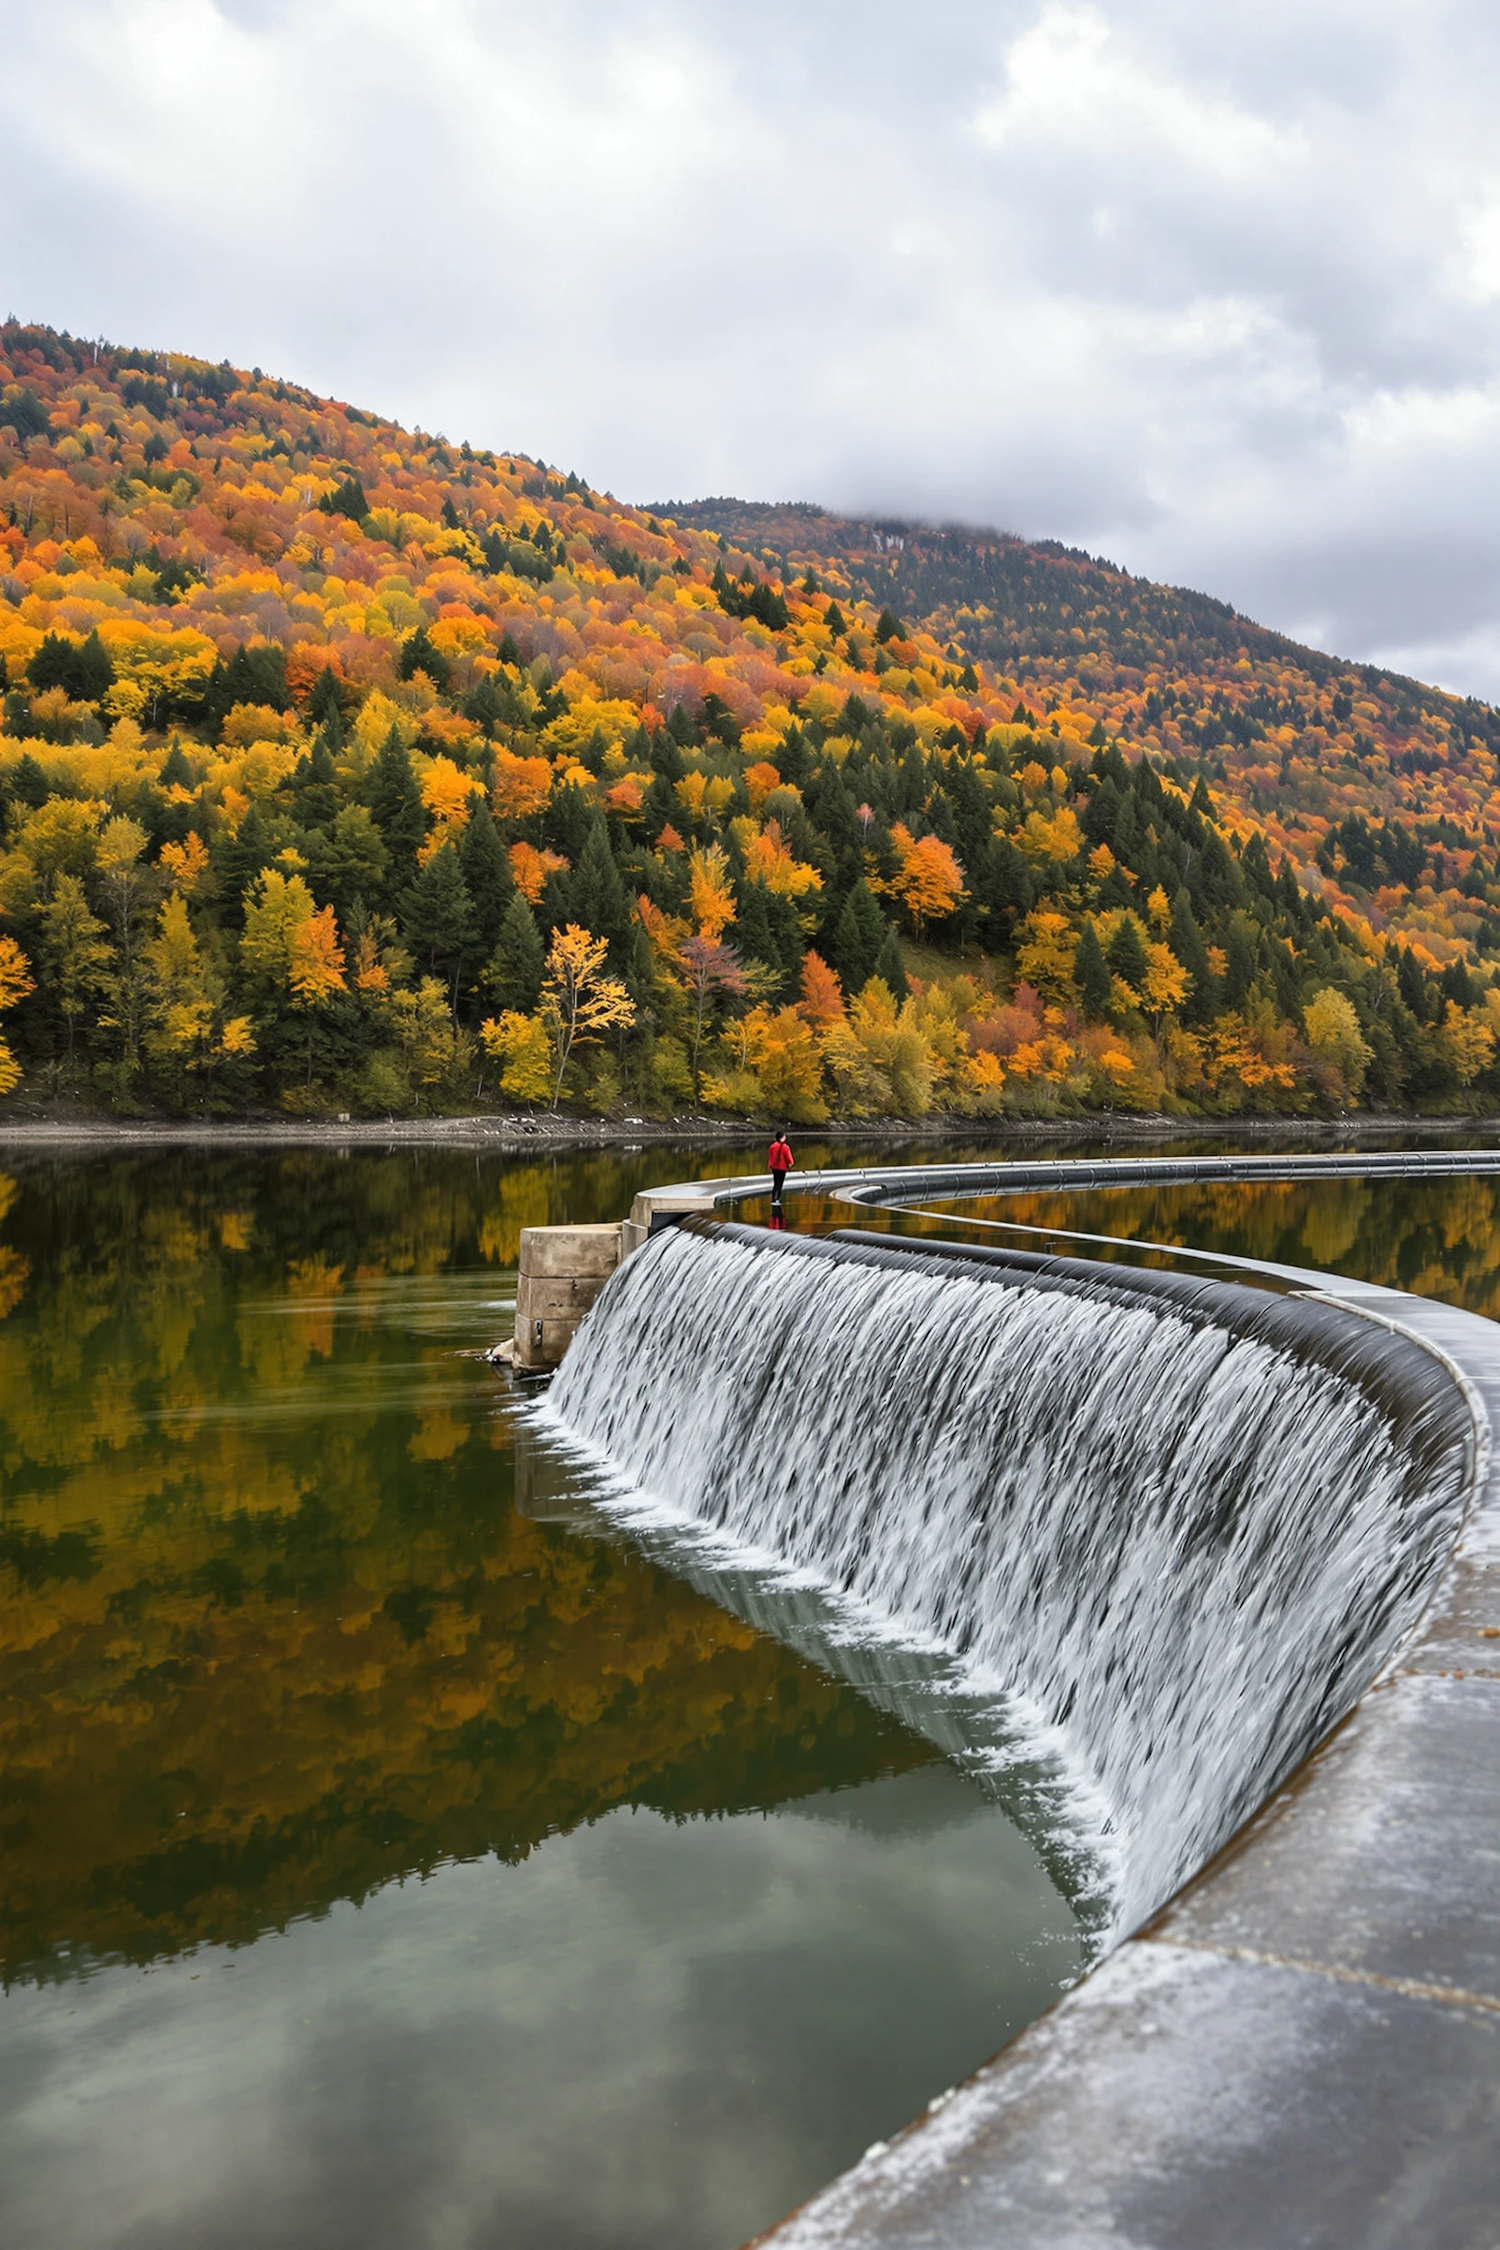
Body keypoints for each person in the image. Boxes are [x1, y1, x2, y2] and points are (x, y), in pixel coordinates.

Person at [767, 1128, 794, 1215]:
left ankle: (773, 1198)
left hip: (774, 1167)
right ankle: (777, 1199)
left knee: (775, 1183)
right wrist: (790, 1163)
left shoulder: (772, 1146)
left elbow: (771, 1155)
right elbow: (789, 1158)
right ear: (782, 1137)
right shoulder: (785, 1147)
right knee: (780, 1183)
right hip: (782, 1168)